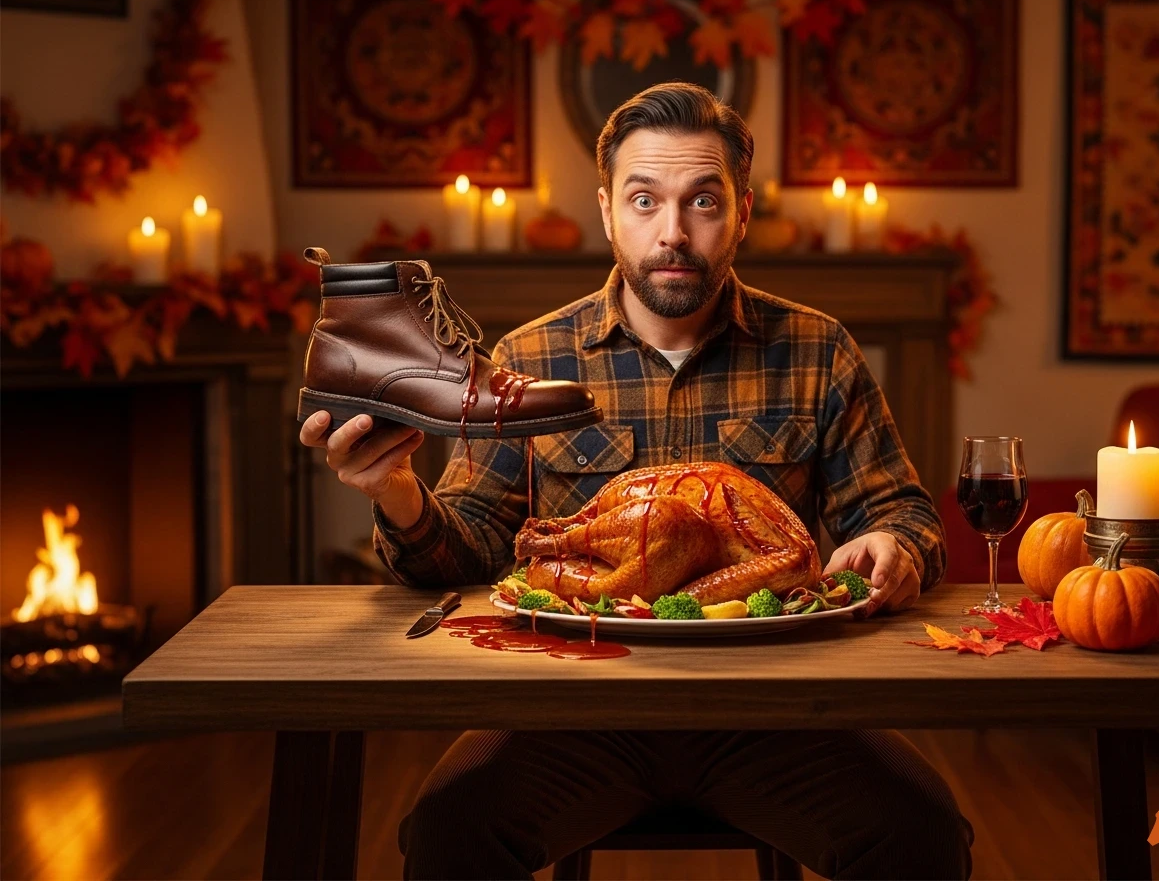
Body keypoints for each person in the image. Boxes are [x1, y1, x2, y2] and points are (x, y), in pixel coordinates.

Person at [299, 82, 972, 880]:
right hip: (571, 717)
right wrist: (397, 492)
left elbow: (905, 514)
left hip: (773, 715)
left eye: (703, 202)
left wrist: (892, 544)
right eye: (645, 200)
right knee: (450, 831)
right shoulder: (529, 359)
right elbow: (469, 550)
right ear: (609, 212)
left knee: (920, 832)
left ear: (744, 213)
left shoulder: (819, 349)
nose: (673, 233)